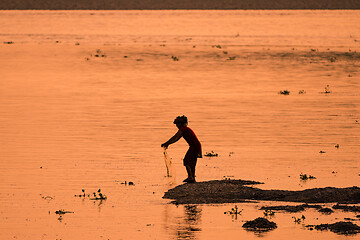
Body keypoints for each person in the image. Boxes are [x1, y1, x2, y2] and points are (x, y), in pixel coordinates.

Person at [161, 115, 202, 183]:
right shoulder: (185, 129)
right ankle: (192, 177)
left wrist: (166, 143)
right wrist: (167, 143)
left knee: (186, 161)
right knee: (192, 162)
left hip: (194, 146)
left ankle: (190, 177)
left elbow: (175, 137)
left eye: (178, 124)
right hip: (196, 146)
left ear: (181, 124)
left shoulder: (183, 129)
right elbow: (176, 138)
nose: (177, 125)